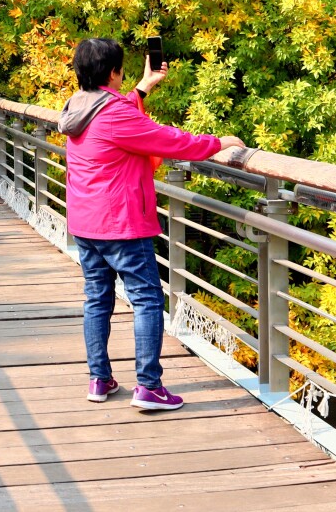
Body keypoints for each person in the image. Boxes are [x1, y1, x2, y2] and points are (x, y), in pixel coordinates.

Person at [58, 37, 246, 411]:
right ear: (113, 71)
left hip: (85, 221)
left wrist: (144, 87)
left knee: (97, 298)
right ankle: (148, 386)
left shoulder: (77, 106)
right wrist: (219, 141)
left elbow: (116, 114)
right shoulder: (114, 114)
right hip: (121, 222)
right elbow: (172, 141)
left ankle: (99, 379)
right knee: (147, 299)